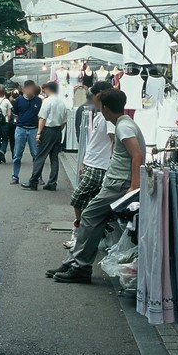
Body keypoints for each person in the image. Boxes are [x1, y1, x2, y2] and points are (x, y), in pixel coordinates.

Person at [47, 89, 144, 284]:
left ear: (106, 109)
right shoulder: (125, 124)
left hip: (119, 184)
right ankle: (75, 262)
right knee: (93, 218)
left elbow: (137, 155)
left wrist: (134, 186)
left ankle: (80, 266)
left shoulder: (123, 127)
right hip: (117, 182)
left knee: (90, 215)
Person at [67, 81, 115, 232]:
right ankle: (86, 232)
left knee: (77, 197)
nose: (92, 99)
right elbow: (93, 143)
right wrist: (83, 162)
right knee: (88, 201)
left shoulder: (109, 117)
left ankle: (81, 230)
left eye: (94, 95)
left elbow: (114, 142)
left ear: (100, 95)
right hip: (92, 163)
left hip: (100, 166)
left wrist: (111, 165)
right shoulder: (99, 115)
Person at [22, 82, 68, 191]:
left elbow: (42, 118)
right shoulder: (62, 102)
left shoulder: (47, 101)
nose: (43, 91)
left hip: (48, 130)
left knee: (40, 156)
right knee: (54, 157)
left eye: (44, 89)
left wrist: (39, 133)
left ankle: (33, 182)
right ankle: (52, 182)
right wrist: (58, 130)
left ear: (48, 89)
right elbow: (64, 121)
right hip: (58, 131)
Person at [10, 80, 42, 185]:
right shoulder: (18, 100)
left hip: (34, 129)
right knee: (17, 154)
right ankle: (15, 176)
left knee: (35, 154)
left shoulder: (38, 101)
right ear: (24, 89)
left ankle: (38, 177)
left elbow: (40, 116)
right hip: (21, 128)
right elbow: (15, 113)